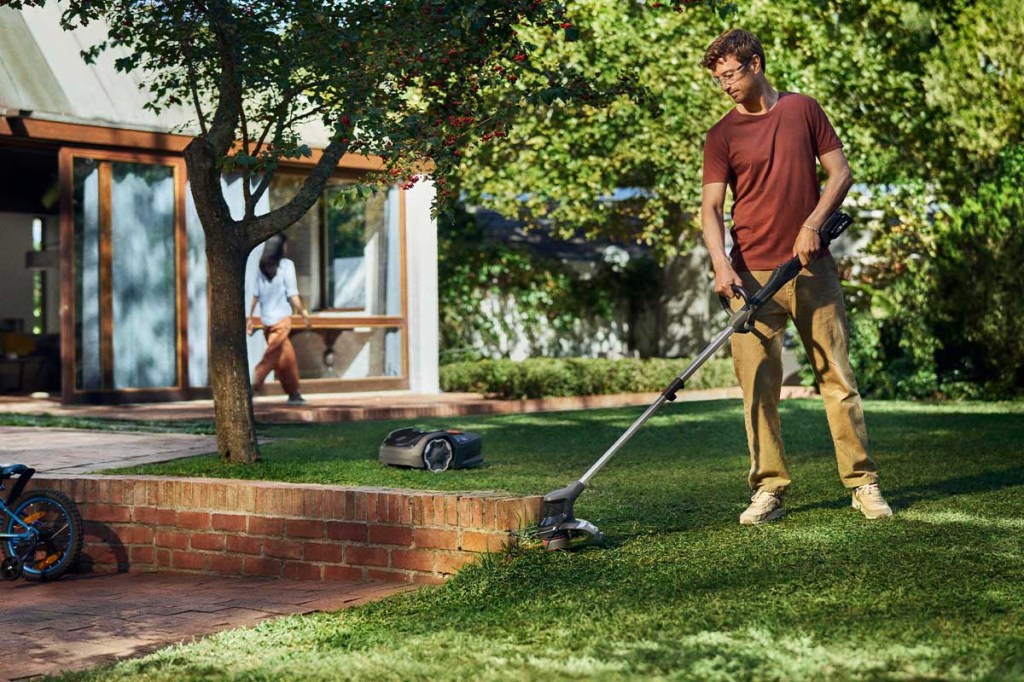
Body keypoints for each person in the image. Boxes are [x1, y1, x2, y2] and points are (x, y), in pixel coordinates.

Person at [699, 29, 892, 525]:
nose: (725, 86)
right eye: (717, 79)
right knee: (758, 388)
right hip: (749, 278)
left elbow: (840, 173)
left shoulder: (803, 109)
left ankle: (863, 483)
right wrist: (721, 264)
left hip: (811, 269)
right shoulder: (722, 134)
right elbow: (711, 208)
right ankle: (768, 489)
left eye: (730, 74)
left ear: (756, 64)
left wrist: (812, 225)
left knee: (836, 377)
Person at [246, 234, 311, 406]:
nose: (287, 249)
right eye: (285, 245)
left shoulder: (261, 267)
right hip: (282, 320)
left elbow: (255, 295)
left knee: (286, 358)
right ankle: (253, 383)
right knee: (272, 356)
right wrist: (304, 311)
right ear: (280, 247)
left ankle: (293, 393)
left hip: (268, 320)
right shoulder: (286, 266)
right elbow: (292, 293)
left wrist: (251, 316)